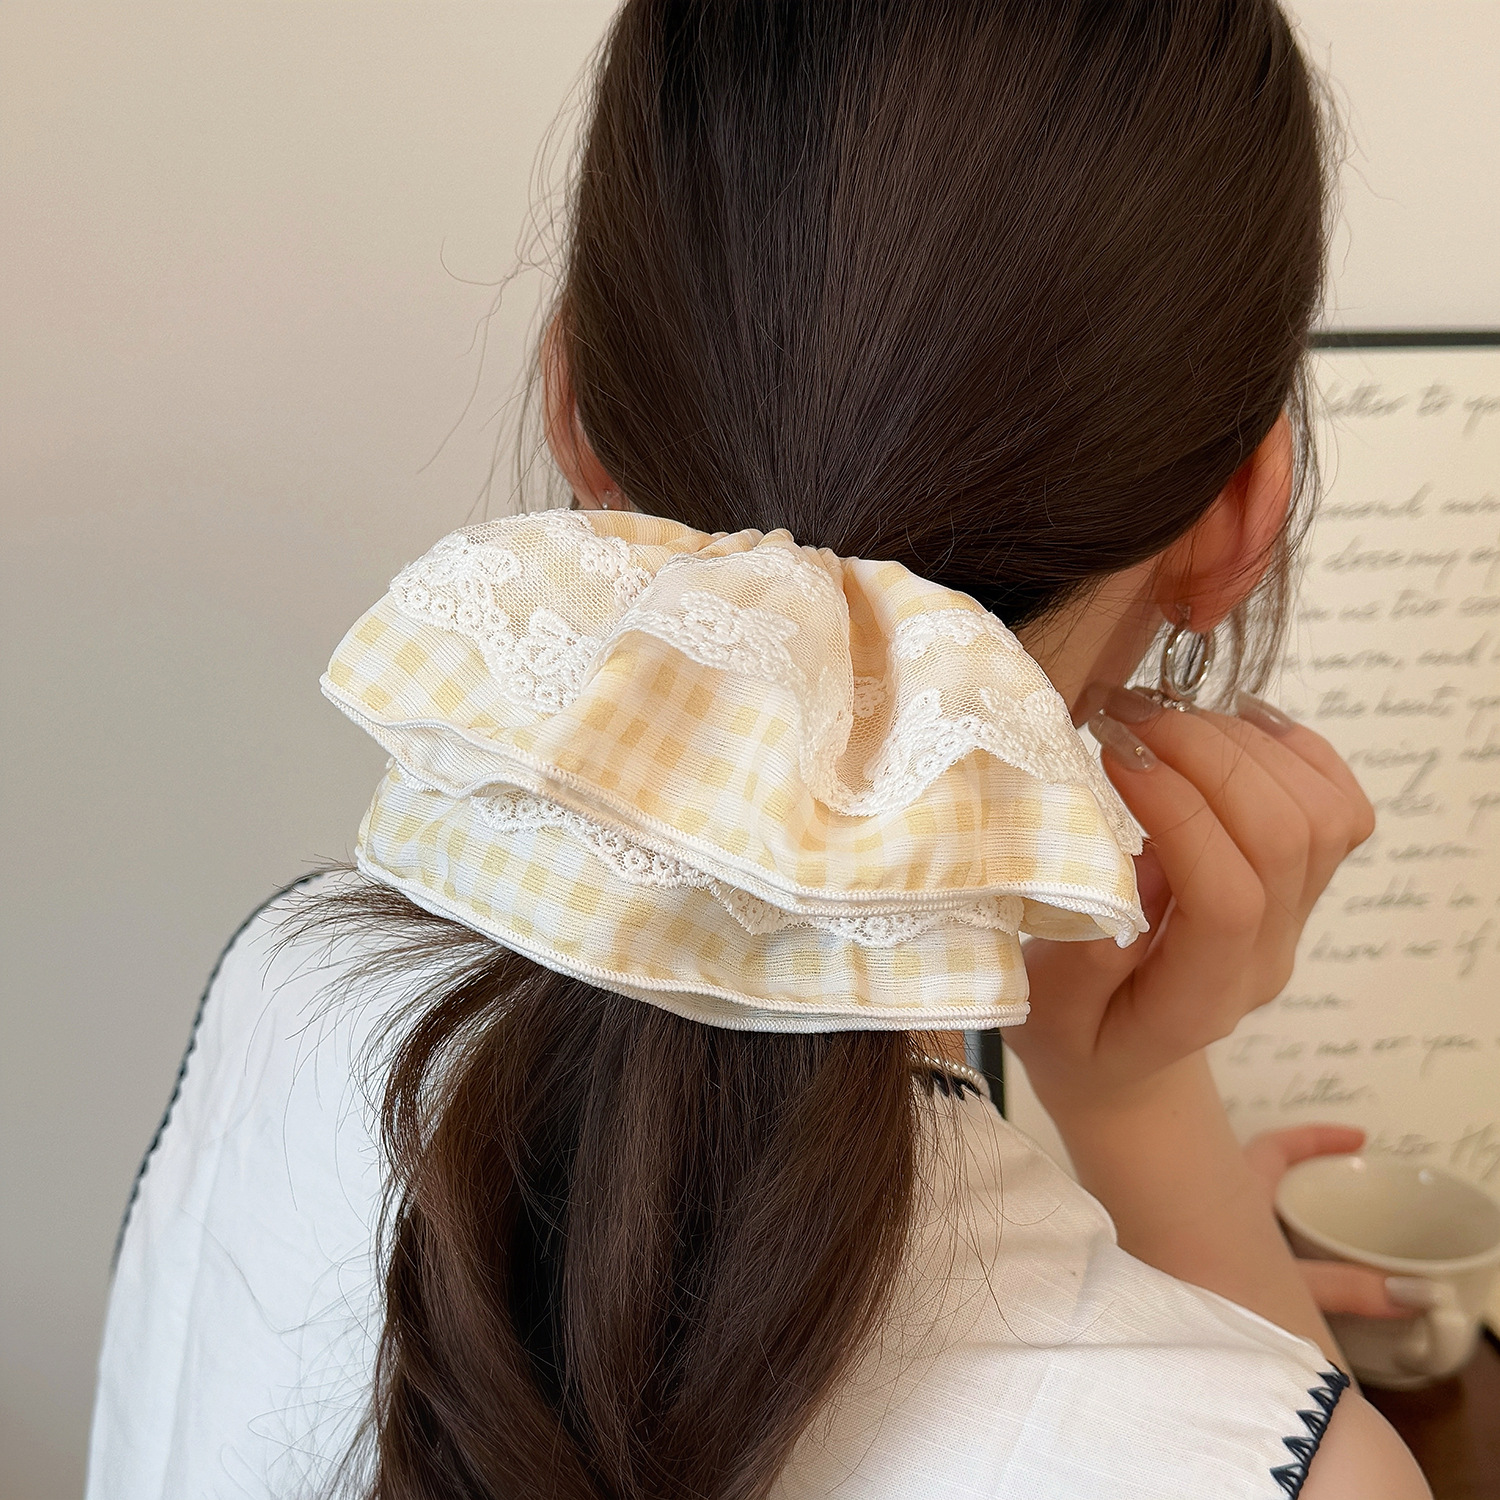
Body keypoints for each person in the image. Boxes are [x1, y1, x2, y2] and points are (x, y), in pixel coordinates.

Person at [88, 2, 1434, 1497]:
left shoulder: (287, 985)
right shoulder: (1276, 1466)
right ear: (1242, 518)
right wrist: (1140, 1116)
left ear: (574, 406)